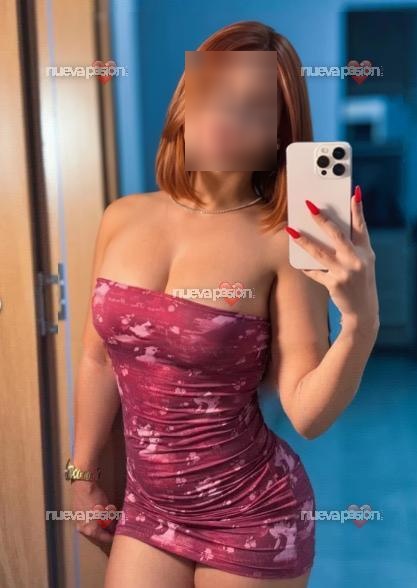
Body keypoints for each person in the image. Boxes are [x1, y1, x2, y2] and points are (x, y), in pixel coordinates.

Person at [69, 20, 379, 588]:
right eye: (213, 93)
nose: (225, 117)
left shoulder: (284, 242)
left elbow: (307, 415)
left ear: (280, 133)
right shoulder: (121, 217)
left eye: (253, 105)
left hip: (253, 512)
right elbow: (97, 358)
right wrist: (82, 472)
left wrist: (361, 322)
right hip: (149, 508)